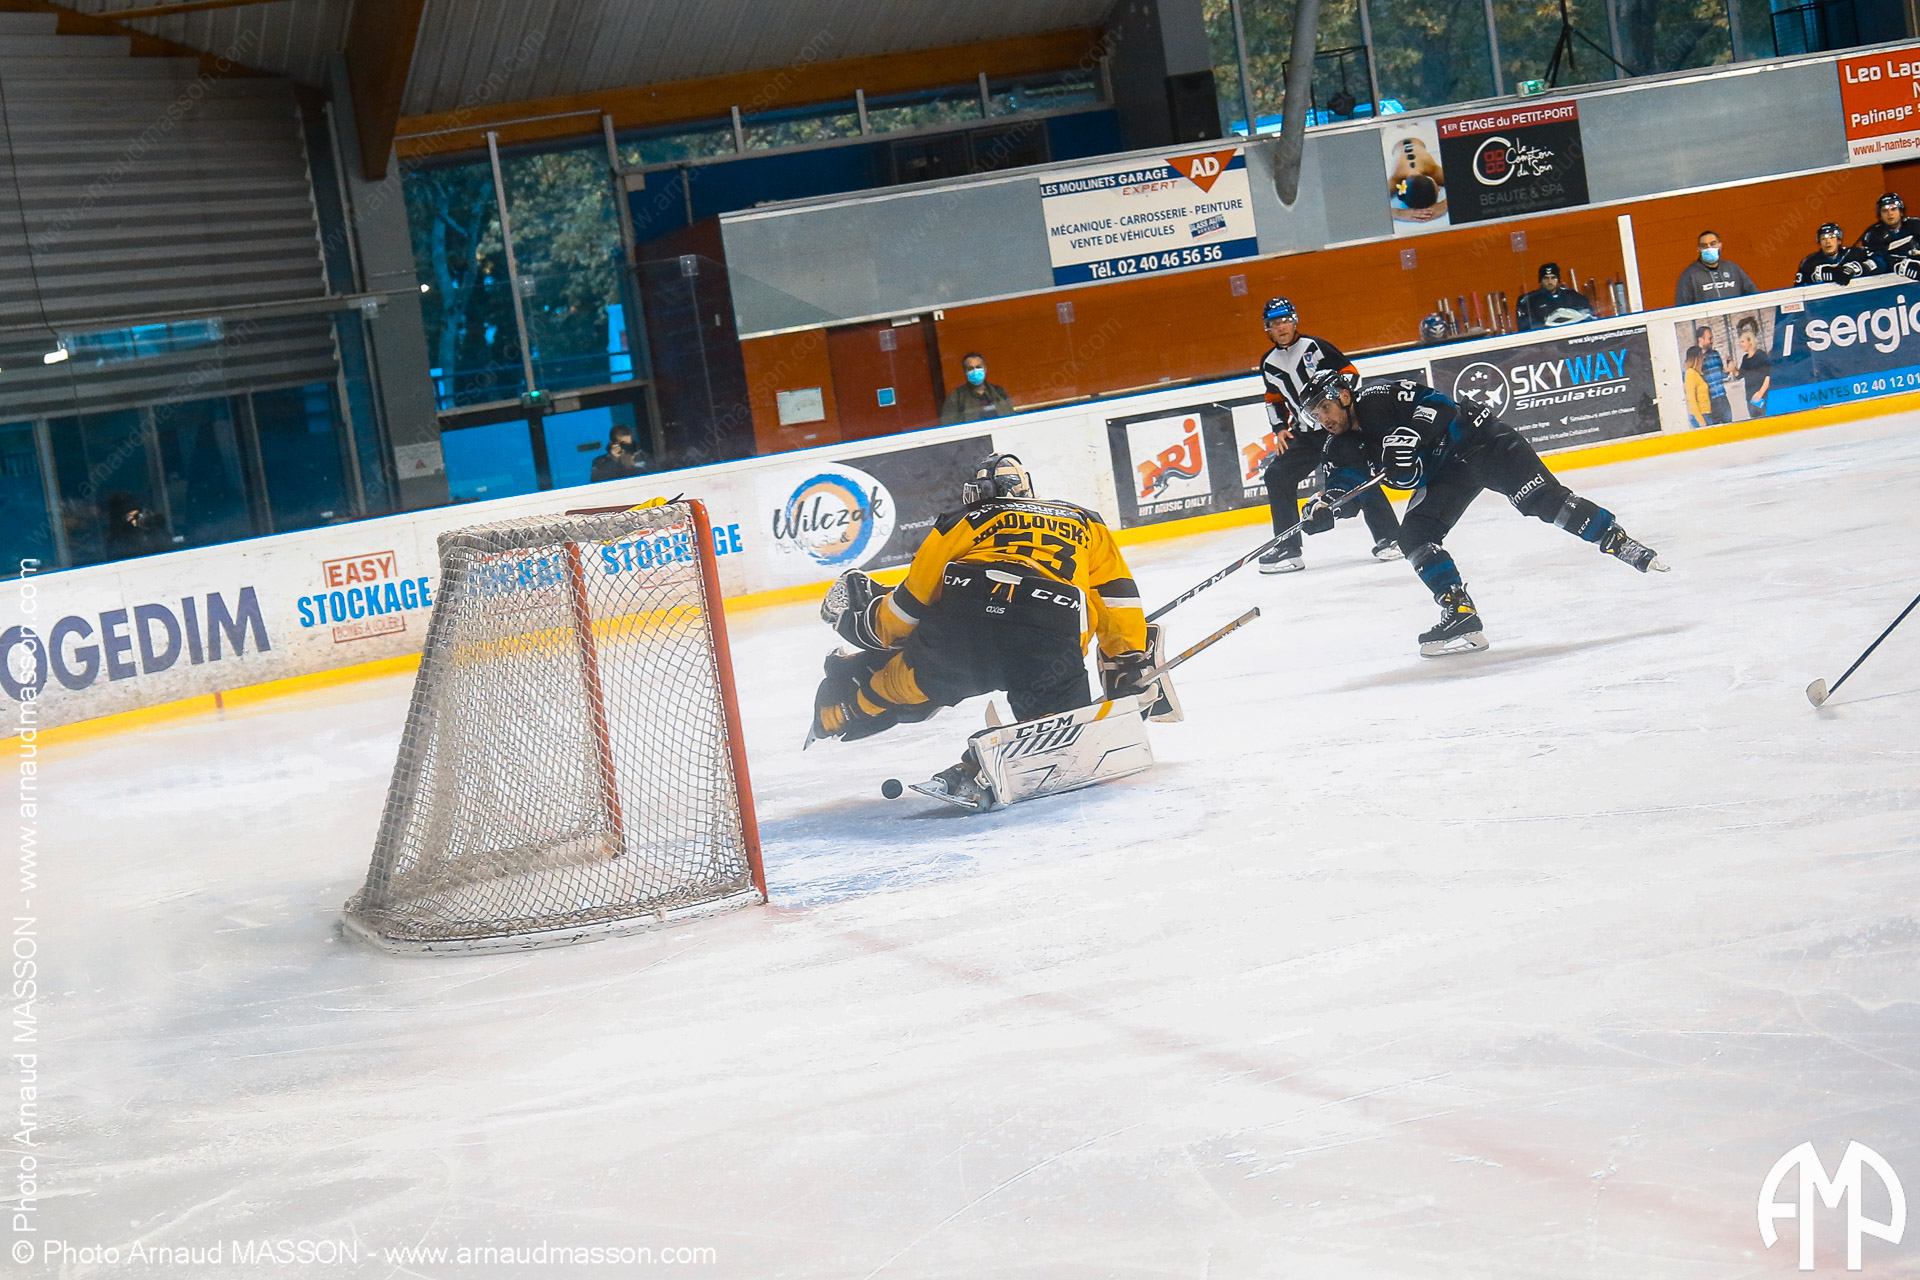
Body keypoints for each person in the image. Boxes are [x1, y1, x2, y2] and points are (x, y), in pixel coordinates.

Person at [808, 453, 1150, 804]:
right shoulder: (1085, 521)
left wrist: (869, 625)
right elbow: (1116, 597)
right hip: (1048, 636)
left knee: (907, 681)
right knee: (1059, 730)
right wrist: (1128, 659)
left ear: (977, 492)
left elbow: (908, 607)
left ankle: (840, 711)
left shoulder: (963, 519)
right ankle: (999, 756)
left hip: (964, 629)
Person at [1299, 369, 1667, 657]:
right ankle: (1459, 612)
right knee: (1414, 535)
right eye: (1316, 415)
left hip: (1482, 443)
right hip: (1447, 474)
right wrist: (1325, 506)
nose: (1324, 419)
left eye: (1326, 408)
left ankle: (1616, 540)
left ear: (1343, 395)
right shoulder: (1339, 447)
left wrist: (1412, 433)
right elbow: (1344, 489)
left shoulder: (1378, 397)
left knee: (1543, 500)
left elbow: (1439, 404)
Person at [1249, 297, 1401, 573]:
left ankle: (1390, 537)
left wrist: (1341, 406)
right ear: (1267, 328)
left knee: (1359, 475)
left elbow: (1350, 374)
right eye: (1274, 323)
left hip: (1337, 428)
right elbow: (1273, 399)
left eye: (1285, 320)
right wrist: (1279, 428)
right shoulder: (1268, 363)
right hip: (1306, 434)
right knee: (1276, 475)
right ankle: (1288, 548)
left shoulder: (1315, 347)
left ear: (1294, 321)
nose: (1281, 327)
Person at [1674, 231, 1758, 307]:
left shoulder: (1733, 268)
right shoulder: (1689, 275)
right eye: (1704, 246)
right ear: (1698, 249)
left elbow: (1754, 295)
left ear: (1720, 245)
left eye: (1713, 244)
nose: (1709, 248)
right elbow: (1682, 307)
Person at [1795, 222, 1884, 287]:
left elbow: (1881, 261)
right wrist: (1814, 277)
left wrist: (1856, 268)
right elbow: (1798, 289)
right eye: (1823, 238)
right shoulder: (1809, 263)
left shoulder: (1854, 253)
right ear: (1819, 243)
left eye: (1832, 237)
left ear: (1839, 241)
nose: (1828, 241)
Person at [1856, 192, 1920, 279]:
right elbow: (1878, 262)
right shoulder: (1873, 234)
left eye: (1893, 209)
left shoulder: (1916, 225)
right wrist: (1897, 265)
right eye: (1885, 211)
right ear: (1880, 215)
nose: (1890, 213)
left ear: (1901, 212)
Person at [939, 353, 1014, 424]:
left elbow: (1011, 419)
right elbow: (948, 426)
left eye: (978, 367)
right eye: (970, 368)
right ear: (964, 372)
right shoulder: (956, 398)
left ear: (985, 369)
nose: (975, 371)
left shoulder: (999, 393)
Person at [1515, 263, 1595, 330]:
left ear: (1558, 279)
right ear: (1540, 281)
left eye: (1553, 278)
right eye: (1546, 278)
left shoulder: (1571, 295)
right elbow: (1525, 325)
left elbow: (1589, 313)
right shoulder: (1529, 300)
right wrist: (1545, 324)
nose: (1550, 282)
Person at [1693, 324, 1732, 425]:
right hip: (1709, 402)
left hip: (1723, 399)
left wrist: (1728, 368)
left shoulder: (1715, 354)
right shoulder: (1695, 358)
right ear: (1700, 339)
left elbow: (1723, 376)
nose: (1712, 341)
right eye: (1709, 338)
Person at [1735, 316, 1771, 417]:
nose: (1741, 344)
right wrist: (1733, 369)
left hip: (1761, 395)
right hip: (1750, 397)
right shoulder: (1745, 358)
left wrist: (1760, 392)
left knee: (1764, 418)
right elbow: (1739, 375)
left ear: (1750, 342)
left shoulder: (1761, 355)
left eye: (1743, 342)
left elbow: (1768, 375)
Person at [1683, 346, 1712, 429]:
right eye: (1701, 356)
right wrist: (1700, 420)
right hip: (1701, 416)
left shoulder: (1697, 374)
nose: (1703, 358)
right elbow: (1691, 399)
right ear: (1696, 358)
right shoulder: (1690, 374)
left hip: (1706, 413)